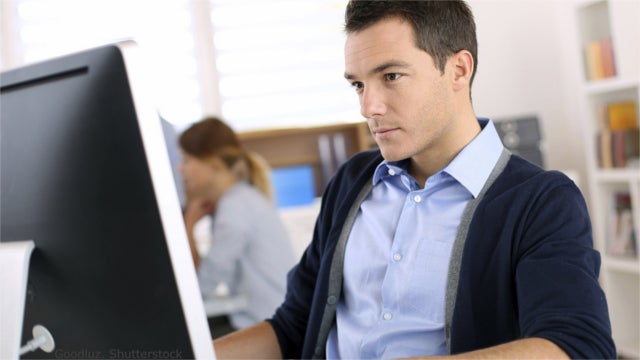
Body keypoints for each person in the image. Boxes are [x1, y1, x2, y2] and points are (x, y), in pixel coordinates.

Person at [213, 1, 616, 358]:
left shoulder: (541, 200)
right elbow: (293, 327)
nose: (368, 107)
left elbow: (576, 345)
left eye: (391, 76)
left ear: (458, 69)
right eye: (358, 84)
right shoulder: (352, 182)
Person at [179, 116, 296, 338]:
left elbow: (202, 287)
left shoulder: (235, 207)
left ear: (211, 162)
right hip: (267, 319)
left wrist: (189, 226)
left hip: (266, 325)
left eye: (187, 160)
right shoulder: (241, 199)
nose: (181, 169)